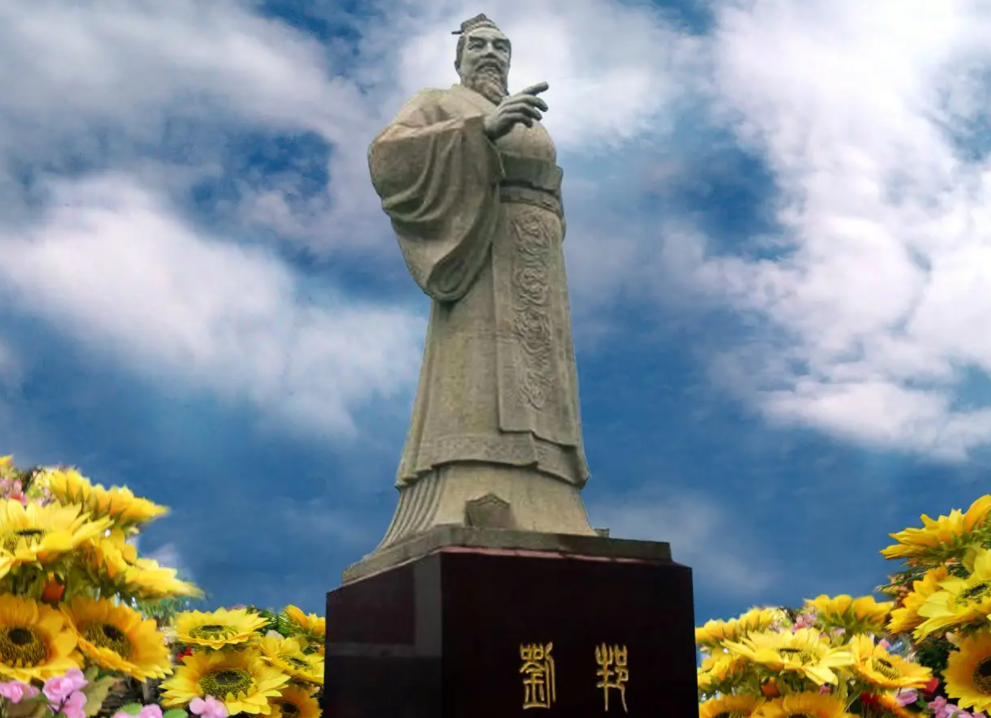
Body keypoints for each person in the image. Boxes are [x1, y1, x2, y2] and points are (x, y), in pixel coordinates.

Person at [367, 13, 595, 548]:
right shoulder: (438, 102)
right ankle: (472, 476)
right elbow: (387, 155)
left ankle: (551, 491)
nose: (490, 53)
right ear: (460, 58)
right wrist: (479, 132)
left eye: (500, 46)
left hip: (536, 257)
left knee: (540, 370)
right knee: (479, 369)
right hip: (479, 245)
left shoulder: (526, 112)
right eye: (478, 45)